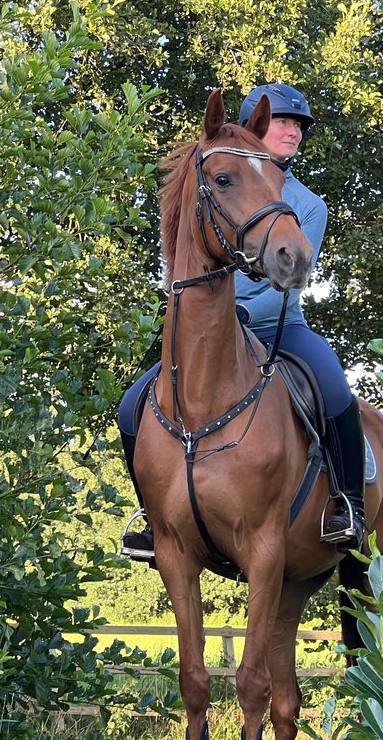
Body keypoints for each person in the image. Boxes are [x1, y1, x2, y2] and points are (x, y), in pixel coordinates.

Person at [118, 82, 367, 560]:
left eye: (298, 125)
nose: (292, 132)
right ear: (254, 127)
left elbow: (291, 279)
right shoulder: (221, 178)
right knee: (133, 405)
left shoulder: (308, 204)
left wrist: (245, 310)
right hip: (211, 331)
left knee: (335, 388)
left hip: (279, 324)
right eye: (282, 122)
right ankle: (155, 519)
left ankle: (348, 505)